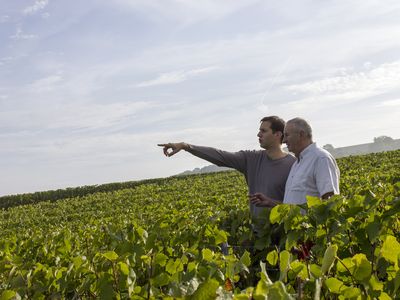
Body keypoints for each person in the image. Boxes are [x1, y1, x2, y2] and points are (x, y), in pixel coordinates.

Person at [158, 116, 296, 233]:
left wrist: (272, 203)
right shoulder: (251, 159)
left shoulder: (294, 165)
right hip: (257, 235)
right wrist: (186, 146)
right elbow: (220, 156)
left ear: (278, 135)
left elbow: (297, 206)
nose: (258, 135)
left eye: (263, 131)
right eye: (259, 131)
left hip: (284, 233)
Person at [250, 117, 340, 207]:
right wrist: (270, 202)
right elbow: (294, 207)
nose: (284, 140)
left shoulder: (320, 158)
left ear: (301, 135)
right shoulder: (297, 163)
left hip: (310, 222)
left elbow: (331, 200)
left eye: (287, 135)